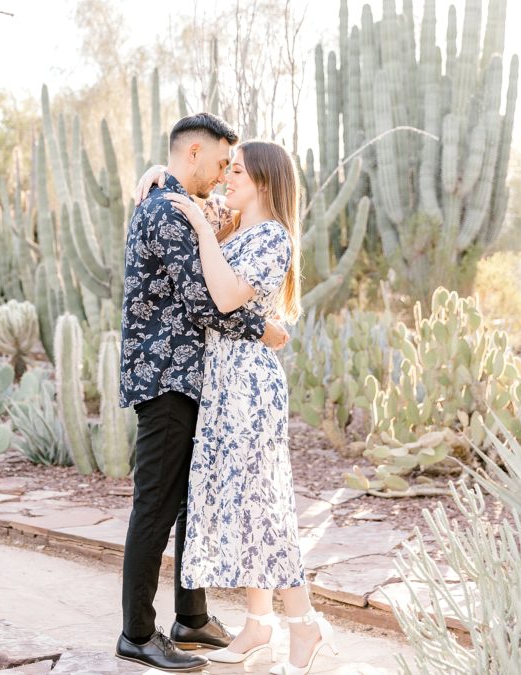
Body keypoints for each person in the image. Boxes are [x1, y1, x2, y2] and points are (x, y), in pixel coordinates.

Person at [143, 140, 339, 675]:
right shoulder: (239, 230)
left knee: (263, 505)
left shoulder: (272, 238)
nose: (227, 178)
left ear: (265, 183)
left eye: (237, 172)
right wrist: (161, 170)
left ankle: (304, 624)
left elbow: (225, 298)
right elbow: (185, 182)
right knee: (248, 506)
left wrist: (207, 232)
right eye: (227, 168)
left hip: (248, 386)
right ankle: (258, 624)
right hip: (223, 381)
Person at [115, 113, 290, 673]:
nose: (221, 177)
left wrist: (155, 173)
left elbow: (226, 219)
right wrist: (262, 330)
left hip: (193, 380)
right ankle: (137, 634)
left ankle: (191, 618)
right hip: (167, 378)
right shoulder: (168, 212)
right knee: (156, 506)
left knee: (190, 501)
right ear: (193, 153)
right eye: (218, 163)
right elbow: (204, 301)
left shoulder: (182, 204)